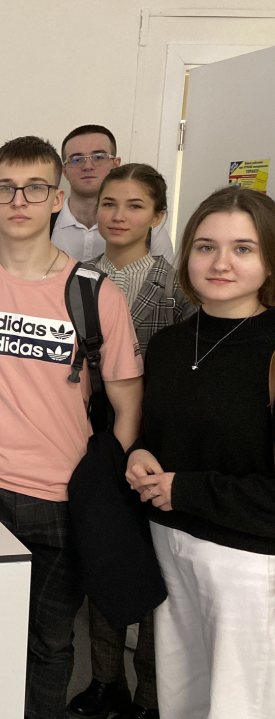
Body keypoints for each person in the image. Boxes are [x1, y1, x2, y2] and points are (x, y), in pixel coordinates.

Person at [0, 136, 144, 719]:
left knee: (50, 644)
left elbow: (127, 404)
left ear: (57, 199)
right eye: (6, 188)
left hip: (61, 501)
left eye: (35, 188)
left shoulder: (96, 296)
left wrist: (97, 484)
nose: (19, 200)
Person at [126, 186, 275, 719]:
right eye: (206, 246)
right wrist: (139, 453)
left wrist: (183, 489)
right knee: (182, 698)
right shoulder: (169, 344)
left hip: (247, 562)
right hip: (170, 544)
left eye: (243, 248)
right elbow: (163, 433)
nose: (220, 263)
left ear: (270, 259)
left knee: (240, 705)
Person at [68, 164, 195, 719]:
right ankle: (105, 681)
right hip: (94, 436)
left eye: (135, 205)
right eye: (110, 204)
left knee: (153, 572)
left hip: (158, 444)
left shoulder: (178, 287)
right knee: (104, 559)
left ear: (158, 216)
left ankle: (150, 696)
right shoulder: (75, 278)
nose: (119, 216)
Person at [51, 125, 174, 263]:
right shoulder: (44, 223)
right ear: (65, 171)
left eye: (98, 157)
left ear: (116, 165)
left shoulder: (151, 232)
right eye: (76, 159)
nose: (88, 166)